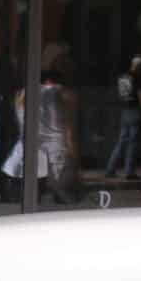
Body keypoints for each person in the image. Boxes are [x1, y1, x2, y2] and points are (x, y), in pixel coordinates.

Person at [32, 54, 78, 206]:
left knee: (43, 186)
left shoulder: (33, 91)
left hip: (39, 142)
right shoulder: (65, 94)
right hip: (57, 144)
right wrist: (72, 150)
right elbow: (69, 125)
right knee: (59, 189)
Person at [105, 56, 141, 183]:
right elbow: (140, 95)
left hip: (124, 111)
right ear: (138, 66)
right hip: (134, 110)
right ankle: (129, 172)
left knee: (121, 141)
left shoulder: (122, 77)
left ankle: (110, 169)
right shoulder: (136, 77)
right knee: (132, 143)